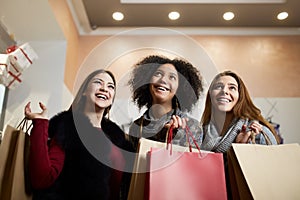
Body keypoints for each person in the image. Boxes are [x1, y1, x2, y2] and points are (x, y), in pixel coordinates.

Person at [24, 69, 134, 200]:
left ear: (111, 99)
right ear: (84, 92)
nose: (105, 88)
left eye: (111, 87)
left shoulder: (119, 140)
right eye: (98, 82)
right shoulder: (68, 127)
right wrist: (41, 122)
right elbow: (42, 179)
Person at [127, 55, 204, 151]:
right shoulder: (136, 127)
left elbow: (191, 163)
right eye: (158, 74)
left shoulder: (192, 126)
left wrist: (175, 137)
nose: (163, 80)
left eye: (172, 77)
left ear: (180, 88)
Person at [200, 70, 279, 153]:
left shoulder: (257, 134)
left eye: (232, 88)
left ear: (240, 96)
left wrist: (242, 148)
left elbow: (273, 164)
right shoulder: (198, 136)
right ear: (210, 95)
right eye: (218, 87)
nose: (224, 91)